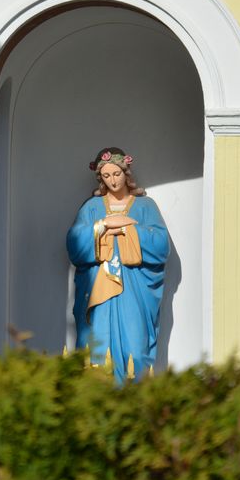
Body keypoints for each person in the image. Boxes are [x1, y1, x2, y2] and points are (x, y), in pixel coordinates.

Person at [66, 147, 169, 383]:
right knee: (98, 346)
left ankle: (134, 393)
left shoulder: (145, 206)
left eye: (116, 174)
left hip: (134, 291)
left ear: (126, 172)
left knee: (136, 347)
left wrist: (126, 226)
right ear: (100, 178)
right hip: (98, 292)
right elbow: (74, 243)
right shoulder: (92, 207)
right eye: (106, 176)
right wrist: (102, 226)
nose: (112, 181)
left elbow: (161, 245)